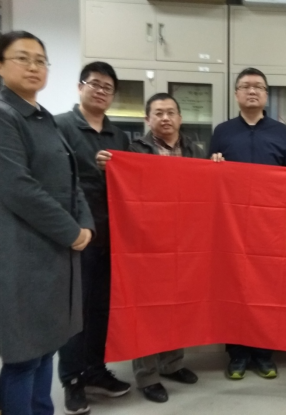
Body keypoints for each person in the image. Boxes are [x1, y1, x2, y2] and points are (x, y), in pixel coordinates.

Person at [0, 31, 94, 415]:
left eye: (40, 60)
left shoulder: (44, 118)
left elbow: (72, 181)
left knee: (45, 350)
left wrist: (86, 225)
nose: (33, 67)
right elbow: (18, 189)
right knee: (23, 357)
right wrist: (71, 232)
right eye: (22, 58)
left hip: (53, 252)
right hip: (19, 251)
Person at [97, 93, 201, 404]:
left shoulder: (195, 150)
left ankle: (172, 363)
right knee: (145, 308)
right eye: (158, 113)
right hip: (145, 241)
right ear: (148, 119)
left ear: (180, 117)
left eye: (170, 112)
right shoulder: (133, 150)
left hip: (184, 240)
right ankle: (147, 375)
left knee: (178, 303)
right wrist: (109, 166)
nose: (165, 118)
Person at [209, 67, 286, 381]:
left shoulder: (282, 132)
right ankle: (237, 355)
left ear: (266, 95)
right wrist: (214, 165)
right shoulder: (222, 131)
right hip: (232, 227)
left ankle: (264, 355)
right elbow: (209, 179)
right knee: (234, 290)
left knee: (267, 290)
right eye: (246, 86)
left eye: (258, 87)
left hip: (270, 227)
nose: (252, 91)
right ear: (236, 93)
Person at [56, 62, 131, 415]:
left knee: (102, 309)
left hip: (114, 238)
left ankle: (96, 370)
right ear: (80, 86)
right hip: (77, 236)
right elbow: (57, 180)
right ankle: (72, 379)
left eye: (108, 87)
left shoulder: (120, 136)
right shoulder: (60, 126)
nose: (101, 91)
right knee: (75, 311)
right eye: (95, 84)